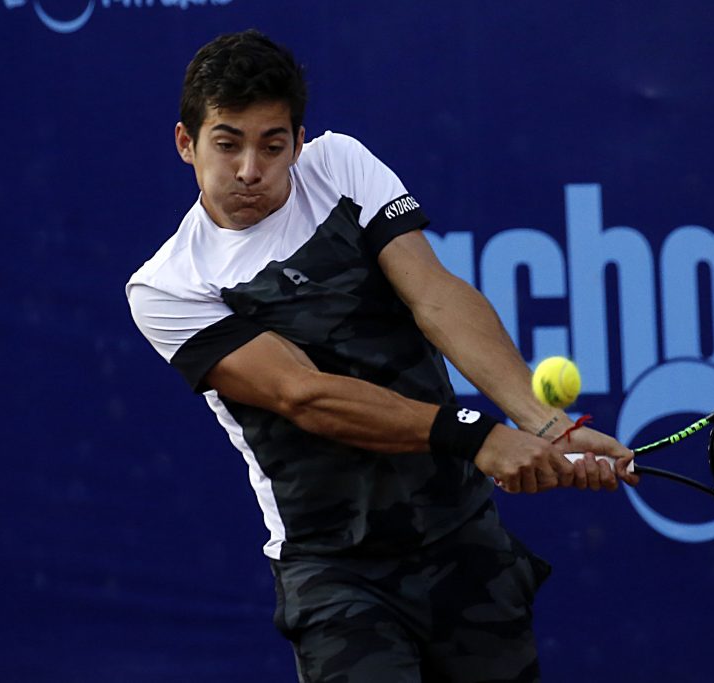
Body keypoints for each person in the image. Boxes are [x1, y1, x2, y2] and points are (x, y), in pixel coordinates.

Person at [126, 29, 637, 683]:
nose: (250, 169)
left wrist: (546, 424)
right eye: (227, 143)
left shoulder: (339, 165)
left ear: (300, 142)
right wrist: (476, 434)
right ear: (186, 144)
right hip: (336, 572)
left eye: (272, 144)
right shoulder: (169, 286)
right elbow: (302, 394)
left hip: (462, 540)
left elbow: (435, 296)